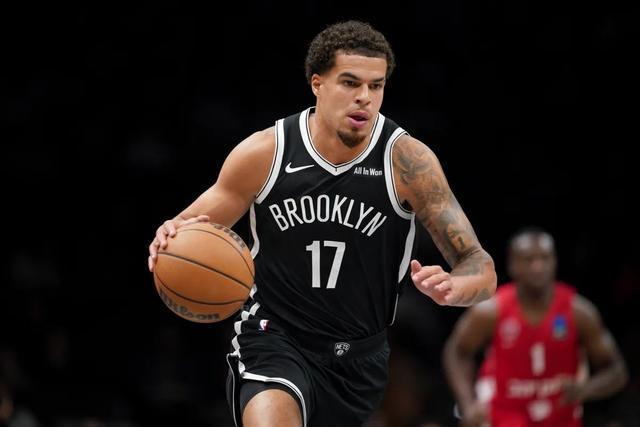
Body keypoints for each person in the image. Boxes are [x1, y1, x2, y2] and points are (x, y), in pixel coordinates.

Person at [148, 20, 497, 427]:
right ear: (317, 83)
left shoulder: (407, 162)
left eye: (376, 85)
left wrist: (455, 287)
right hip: (273, 338)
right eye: (350, 83)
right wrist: (169, 234)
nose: (364, 97)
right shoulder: (266, 152)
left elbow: (481, 267)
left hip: (359, 360)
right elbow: (187, 230)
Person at [443, 227, 628, 427]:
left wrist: (585, 389)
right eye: (529, 260)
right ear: (513, 265)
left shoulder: (579, 312)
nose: (538, 266)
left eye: (545, 258)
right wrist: (468, 404)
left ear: (555, 261)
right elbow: (457, 352)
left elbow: (616, 370)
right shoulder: (490, 311)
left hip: (560, 418)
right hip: (504, 416)